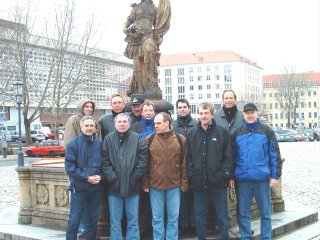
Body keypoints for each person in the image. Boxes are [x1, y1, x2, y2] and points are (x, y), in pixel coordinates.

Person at [230, 103, 282, 240]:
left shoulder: (267, 131)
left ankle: (266, 237)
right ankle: (246, 237)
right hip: (243, 180)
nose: (250, 115)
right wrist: (230, 176)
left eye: (252, 112)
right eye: (247, 112)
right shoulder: (236, 133)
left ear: (257, 113)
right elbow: (231, 157)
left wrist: (275, 175)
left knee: (265, 212)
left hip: (262, 179)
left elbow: (274, 154)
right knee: (242, 213)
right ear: (243, 115)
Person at [187, 102, 234, 240]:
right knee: (200, 218)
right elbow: (188, 158)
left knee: (222, 217)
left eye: (206, 113)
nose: (203, 116)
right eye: (201, 113)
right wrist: (192, 176)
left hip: (218, 183)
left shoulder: (222, 132)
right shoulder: (192, 133)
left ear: (211, 114)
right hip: (199, 184)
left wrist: (224, 175)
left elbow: (229, 156)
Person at [102, 113, 148, 240]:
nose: (122, 124)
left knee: (133, 219)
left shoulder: (137, 139)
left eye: (124, 122)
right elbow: (104, 161)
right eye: (119, 122)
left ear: (129, 123)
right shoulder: (108, 139)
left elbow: (143, 161)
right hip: (114, 187)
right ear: (115, 124)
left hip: (132, 186)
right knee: (115, 221)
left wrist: (134, 178)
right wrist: (112, 178)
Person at [143, 112, 189, 240]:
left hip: (174, 184)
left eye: (158, 123)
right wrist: (145, 182)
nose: (155, 125)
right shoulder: (149, 139)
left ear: (167, 123)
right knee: (157, 218)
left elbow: (184, 163)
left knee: (173, 218)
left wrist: (184, 182)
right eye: (155, 123)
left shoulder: (181, 139)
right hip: (155, 184)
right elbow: (145, 163)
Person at [64, 98, 101, 239]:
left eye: (92, 125)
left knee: (93, 220)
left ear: (95, 128)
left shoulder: (99, 143)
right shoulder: (73, 144)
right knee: (74, 220)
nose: (90, 128)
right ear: (81, 127)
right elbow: (70, 168)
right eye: (87, 126)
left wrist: (100, 176)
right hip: (79, 187)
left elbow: (103, 164)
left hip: (95, 188)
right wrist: (87, 177)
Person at [123, 0, 171, 97]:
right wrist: (125, 28)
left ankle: (149, 76)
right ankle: (139, 87)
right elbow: (127, 22)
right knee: (136, 62)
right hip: (135, 36)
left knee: (149, 50)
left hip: (148, 35)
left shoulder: (154, 8)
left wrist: (160, 36)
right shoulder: (136, 8)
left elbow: (159, 24)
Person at [171, 98, 197, 236]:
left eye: (184, 107)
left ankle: (193, 224)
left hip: (194, 165)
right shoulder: (173, 126)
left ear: (189, 108)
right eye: (179, 107)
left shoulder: (196, 124)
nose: (182, 109)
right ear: (176, 109)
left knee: (193, 197)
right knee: (180, 198)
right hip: (178, 166)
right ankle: (182, 225)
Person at [130, 99, 156, 239]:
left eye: (150, 110)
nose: (148, 113)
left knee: (156, 206)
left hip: (156, 172)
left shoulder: (158, 126)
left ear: (154, 112)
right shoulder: (135, 127)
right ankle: (143, 232)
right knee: (142, 205)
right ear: (142, 112)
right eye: (145, 110)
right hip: (140, 171)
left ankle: (154, 233)